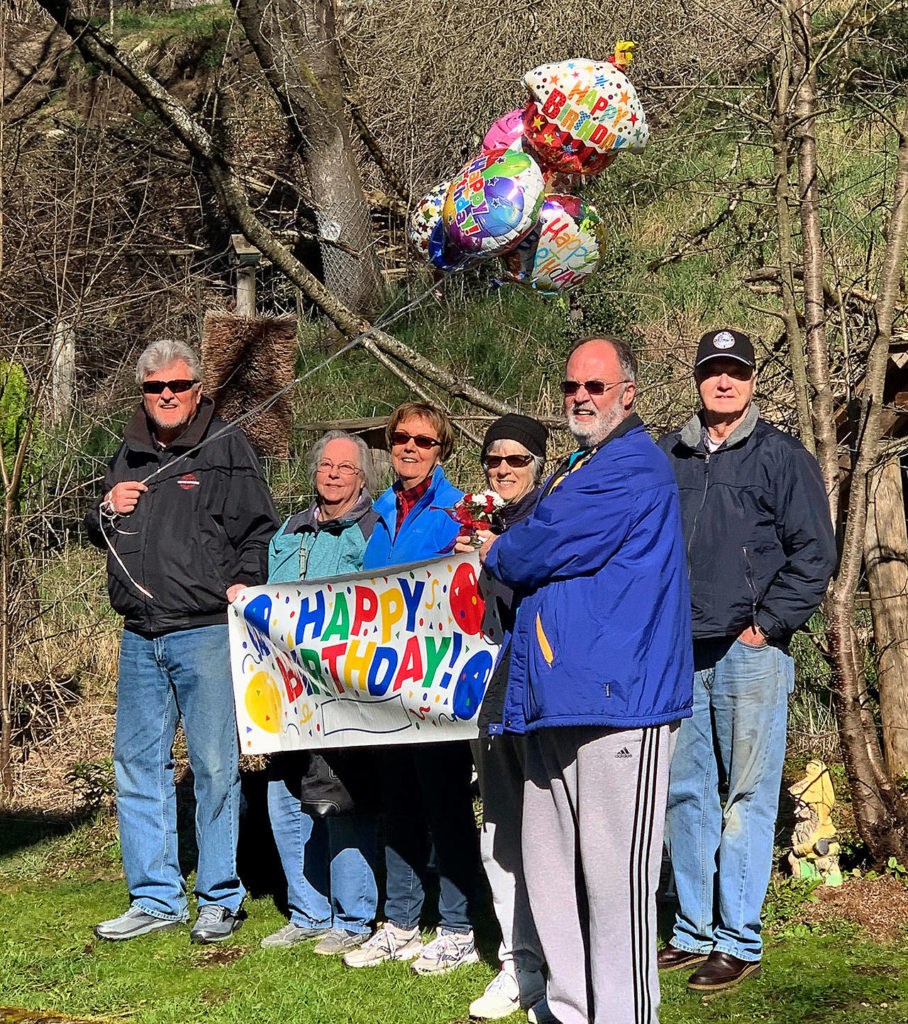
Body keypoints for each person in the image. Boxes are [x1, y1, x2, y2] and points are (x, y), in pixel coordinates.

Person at [479, 337, 694, 1024]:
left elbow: (538, 544)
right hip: (550, 699)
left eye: (596, 386)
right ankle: (568, 1012)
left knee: (613, 885)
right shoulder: (580, 462)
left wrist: (499, 548)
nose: (581, 396)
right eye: (572, 384)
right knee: (548, 874)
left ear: (628, 393)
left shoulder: (630, 466)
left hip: (618, 705)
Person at [657, 328, 836, 991]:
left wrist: (765, 627)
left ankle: (738, 939)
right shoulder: (668, 456)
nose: (723, 382)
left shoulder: (780, 456)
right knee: (687, 794)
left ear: (754, 379)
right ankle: (693, 929)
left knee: (746, 800)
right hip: (681, 650)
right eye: (713, 372)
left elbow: (814, 554)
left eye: (735, 371)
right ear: (698, 380)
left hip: (748, 653)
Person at [85, 339, 279, 943]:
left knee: (216, 765)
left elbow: (259, 530)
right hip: (139, 636)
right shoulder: (130, 450)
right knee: (137, 764)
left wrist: (244, 587)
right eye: (153, 388)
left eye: (176, 386)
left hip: (204, 632)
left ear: (197, 389)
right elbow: (99, 529)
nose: (165, 396)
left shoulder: (226, 447)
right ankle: (154, 897)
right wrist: (103, 508)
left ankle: (220, 895)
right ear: (142, 392)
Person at [342, 402, 482, 975]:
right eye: (401, 438)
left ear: (440, 450)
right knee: (396, 802)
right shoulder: (374, 515)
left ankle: (458, 925)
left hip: (438, 686)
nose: (409, 448)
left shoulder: (459, 510)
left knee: (446, 803)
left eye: (424, 441)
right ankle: (400, 920)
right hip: (384, 687)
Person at [260, 430, 381, 956]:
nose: (332, 474)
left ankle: (354, 917)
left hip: (344, 691)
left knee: (341, 796)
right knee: (283, 795)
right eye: (324, 465)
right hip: (286, 692)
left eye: (344, 468)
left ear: (362, 478)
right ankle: (308, 910)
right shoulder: (288, 530)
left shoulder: (376, 530)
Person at [459, 414, 549, 1021]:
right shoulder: (471, 523)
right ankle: (517, 962)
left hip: (544, 694)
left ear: (537, 465)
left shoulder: (552, 517)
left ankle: (559, 963)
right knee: (499, 831)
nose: (504, 470)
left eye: (516, 461)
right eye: (495, 460)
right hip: (485, 694)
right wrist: (460, 564)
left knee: (550, 833)